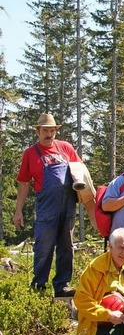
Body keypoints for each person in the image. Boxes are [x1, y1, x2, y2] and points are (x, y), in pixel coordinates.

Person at [13, 113, 83, 297]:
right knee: (43, 247)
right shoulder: (30, 153)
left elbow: (80, 171)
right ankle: (39, 286)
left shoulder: (66, 148)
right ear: (37, 131)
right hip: (46, 208)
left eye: (52, 130)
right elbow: (23, 183)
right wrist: (18, 211)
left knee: (66, 247)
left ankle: (62, 285)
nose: (49, 134)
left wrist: (87, 198)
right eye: (45, 130)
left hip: (68, 206)